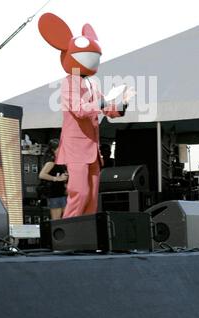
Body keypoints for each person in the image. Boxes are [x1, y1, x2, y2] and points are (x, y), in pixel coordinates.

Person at [38, 12, 134, 218]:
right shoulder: (69, 82)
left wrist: (121, 103)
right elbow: (80, 109)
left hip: (92, 150)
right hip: (76, 148)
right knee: (79, 193)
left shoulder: (92, 83)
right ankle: (69, 234)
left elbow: (106, 109)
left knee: (91, 196)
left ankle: (87, 238)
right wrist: (103, 101)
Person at [38, 139, 68, 220]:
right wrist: (56, 179)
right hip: (55, 194)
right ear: (53, 150)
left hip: (61, 193)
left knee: (65, 217)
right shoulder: (51, 162)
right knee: (57, 219)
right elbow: (42, 175)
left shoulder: (59, 161)